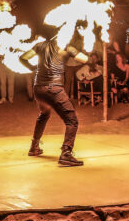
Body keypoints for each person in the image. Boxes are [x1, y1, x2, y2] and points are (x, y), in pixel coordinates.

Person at [20, 31, 85, 166]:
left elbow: (23, 58)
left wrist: (32, 68)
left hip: (39, 88)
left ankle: (34, 147)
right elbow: (84, 59)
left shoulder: (40, 45)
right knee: (72, 120)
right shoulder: (67, 48)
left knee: (44, 113)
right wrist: (77, 50)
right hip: (54, 89)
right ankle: (66, 153)